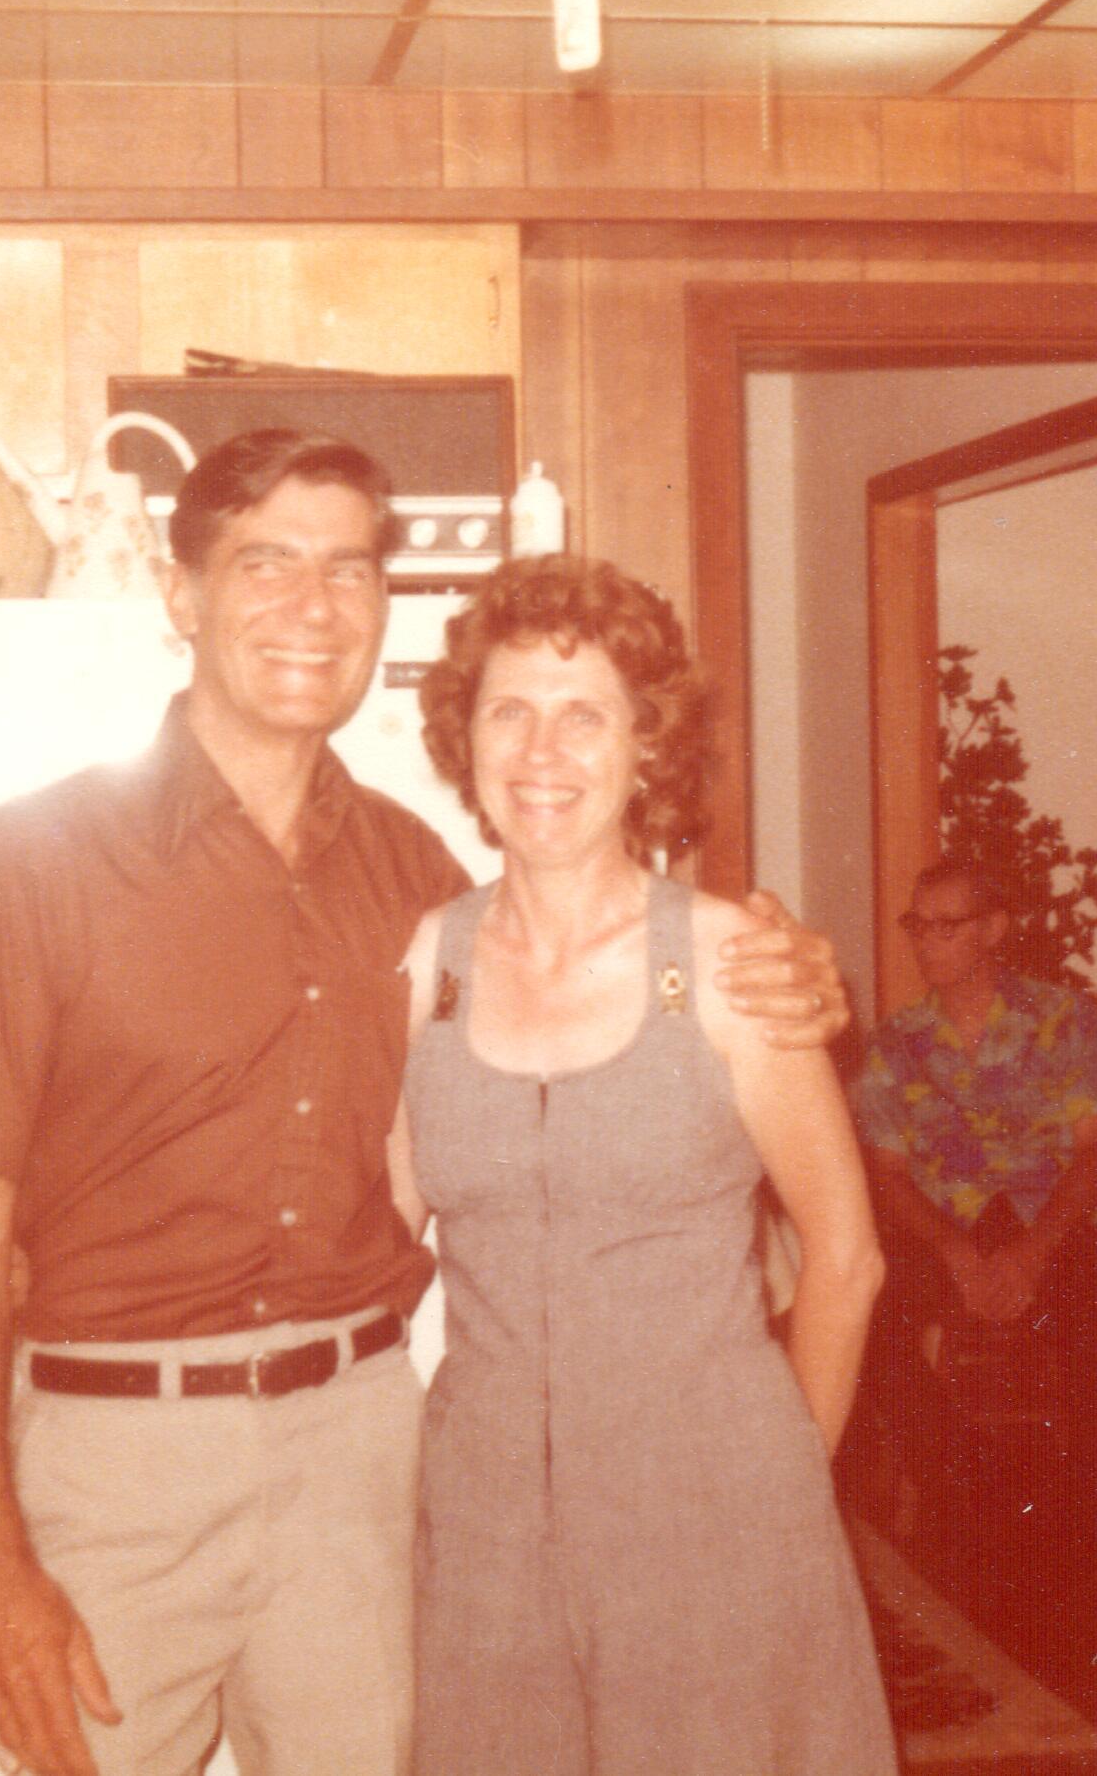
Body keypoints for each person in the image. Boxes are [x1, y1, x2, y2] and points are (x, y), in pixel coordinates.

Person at [0, 430, 849, 1776]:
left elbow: (592, 1003)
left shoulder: (418, 886)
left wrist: (787, 967)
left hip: (359, 1457)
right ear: (179, 592)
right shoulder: (31, 861)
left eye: (348, 569)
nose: (313, 604)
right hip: (117, 1464)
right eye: (265, 563)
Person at [394, 554, 896, 1776]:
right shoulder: (427, 962)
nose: (541, 752)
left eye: (585, 715)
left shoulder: (728, 964)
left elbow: (844, 1257)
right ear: (464, 739)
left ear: (644, 746)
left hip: (710, 1509)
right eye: (508, 711)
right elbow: (383, 1234)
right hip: (485, 1528)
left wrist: (779, 1484)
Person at [842, 854, 1097, 1537]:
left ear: (993, 930)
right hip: (943, 1232)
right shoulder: (894, 1044)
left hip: (1054, 1226)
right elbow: (888, 1176)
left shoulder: (1065, 1019)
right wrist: (957, 1254)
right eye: (917, 925)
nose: (925, 941)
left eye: (947, 925)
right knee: (861, 1314)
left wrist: (1030, 1255)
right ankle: (970, 1485)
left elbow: (1093, 1158)